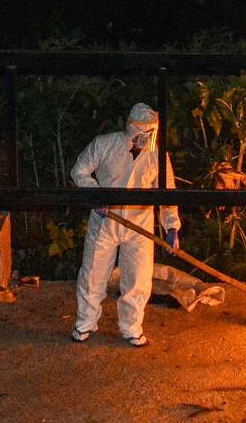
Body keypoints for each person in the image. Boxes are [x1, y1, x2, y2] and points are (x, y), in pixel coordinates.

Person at [70, 102, 181, 347]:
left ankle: (131, 328)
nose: (146, 140)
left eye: (151, 135)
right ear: (132, 130)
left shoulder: (158, 157)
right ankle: (85, 323)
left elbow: (167, 194)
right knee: (93, 274)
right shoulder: (105, 145)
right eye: (143, 134)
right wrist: (96, 195)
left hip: (139, 224)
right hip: (105, 221)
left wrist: (171, 227)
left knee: (138, 278)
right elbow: (79, 171)